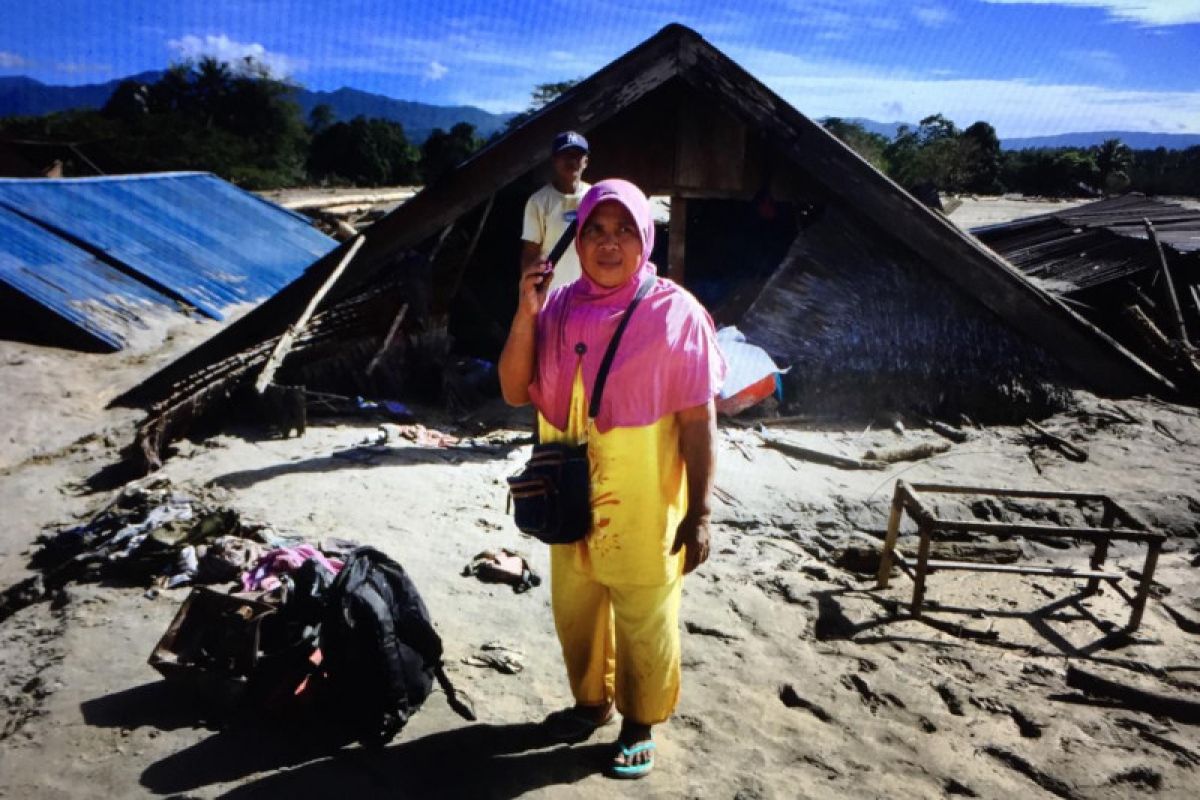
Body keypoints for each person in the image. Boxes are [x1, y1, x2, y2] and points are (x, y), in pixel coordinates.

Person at [499, 178, 726, 779]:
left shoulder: (676, 314)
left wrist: (700, 512)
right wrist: (526, 315)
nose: (608, 243)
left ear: (645, 237)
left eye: (624, 229)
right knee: (575, 607)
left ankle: (639, 720)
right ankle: (590, 703)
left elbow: (699, 424)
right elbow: (512, 387)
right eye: (596, 229)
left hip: (643, 494)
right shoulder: (558, 303)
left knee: (644, 609)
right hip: (567, 488)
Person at [520, 131, 591, 292]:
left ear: (585, 161)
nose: (571, 160)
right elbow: (530, 253)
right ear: (554, 160)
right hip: (551, 295)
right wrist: (530, 293)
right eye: (565, 154)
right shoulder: (538, 201)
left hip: (587, 295)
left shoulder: (596, 198)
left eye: (577, 155)